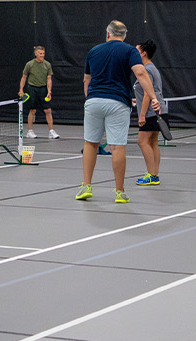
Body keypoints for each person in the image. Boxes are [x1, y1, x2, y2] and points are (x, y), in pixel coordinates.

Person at [77, 21, 157, 204]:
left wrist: (90, 98)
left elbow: (86, 80)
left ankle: (86, 186)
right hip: (118, 102)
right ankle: (120, 192)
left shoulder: (93, 51)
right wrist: (153, 97)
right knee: (117, 147)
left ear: (108, 34)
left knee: (90, 144)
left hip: (94, 101)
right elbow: (141, 74)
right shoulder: (130, 51)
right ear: (124, 35)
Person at [132, 41, 167, 186]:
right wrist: (137, 99)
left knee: (142, 141)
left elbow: (148, 93)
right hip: (159, 110)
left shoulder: (146, 69)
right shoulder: (152, 68)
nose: (134, 54)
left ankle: (152, 175)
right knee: (152, 142)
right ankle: (154, 174)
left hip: (151, 112)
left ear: (143, 53)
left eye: (137, 51)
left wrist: (142, 115)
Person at [18, 46, 59, 139]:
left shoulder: (47, 64)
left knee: (48, 110)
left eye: (43, 53)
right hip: (32, 88)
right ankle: (30, 131)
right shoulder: (29, 64)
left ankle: (51, 131)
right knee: (32, 110)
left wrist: (49, 91)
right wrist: (21, 89)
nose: (42, 55)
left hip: (43, 89)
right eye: (40, 53)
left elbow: (49, 79)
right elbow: (24, 77)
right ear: (36, 54)